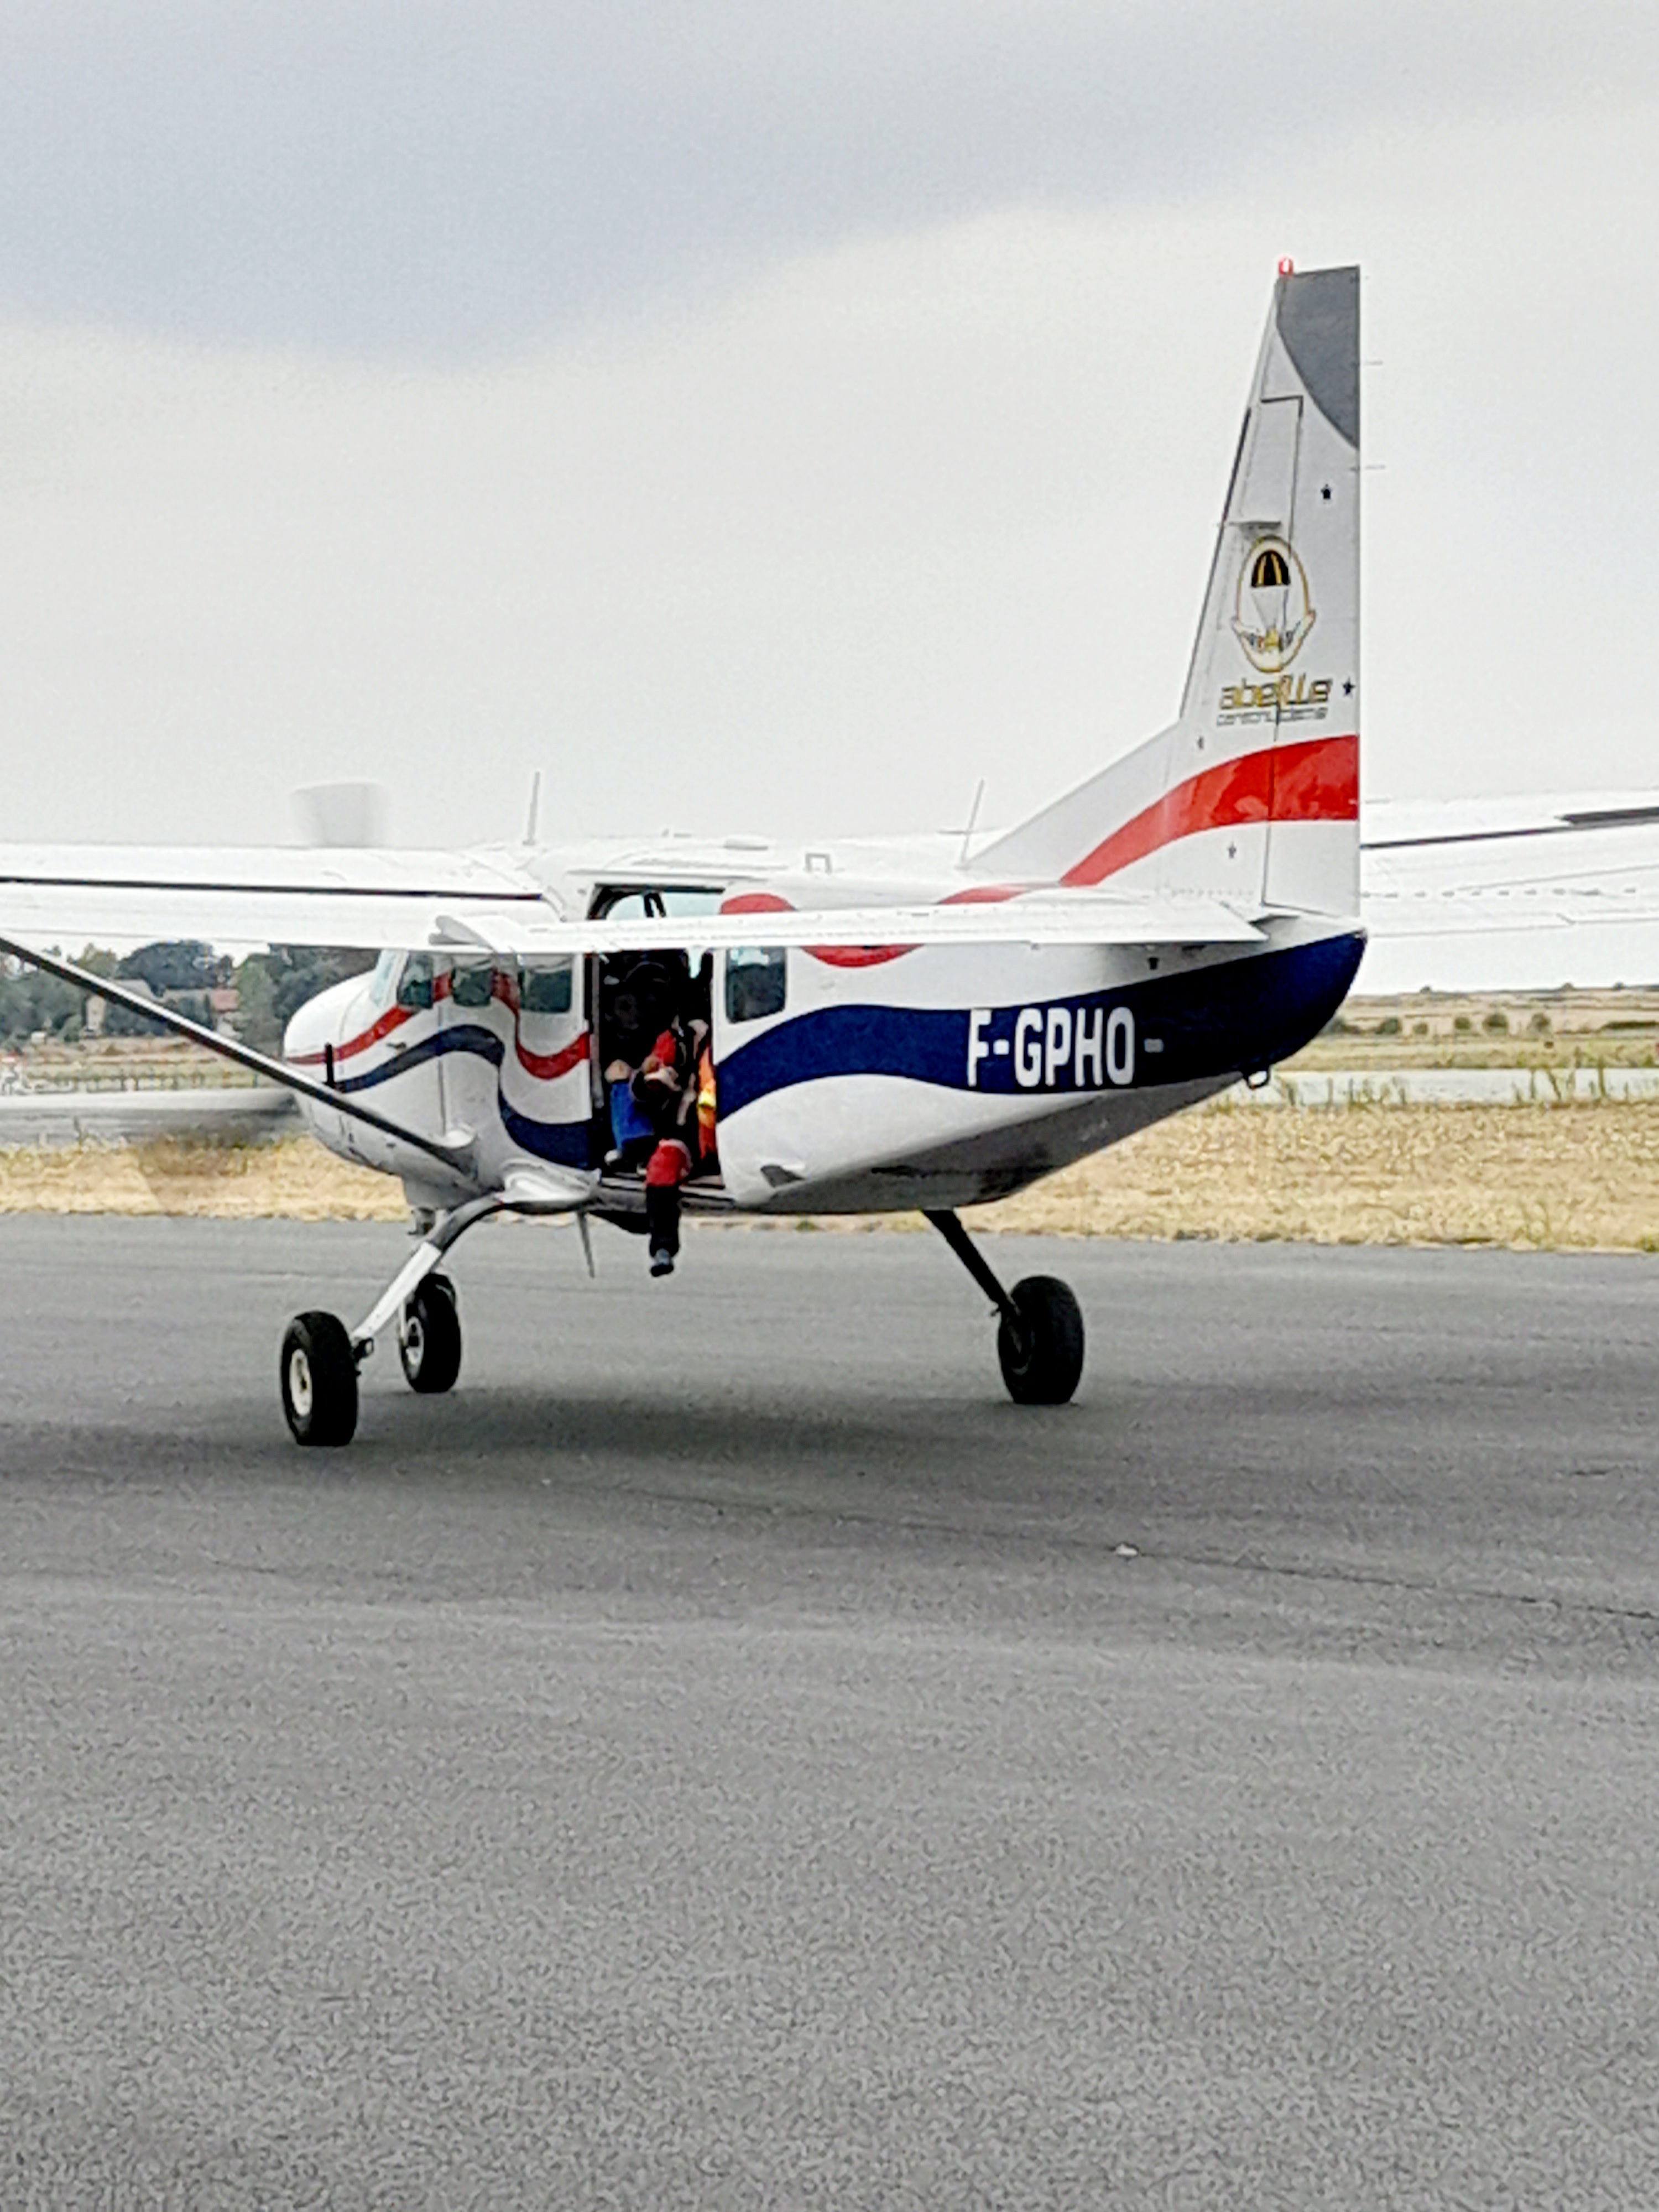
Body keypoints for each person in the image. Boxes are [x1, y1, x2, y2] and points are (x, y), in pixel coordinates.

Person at [631, 986, 711, 1277]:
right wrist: (649, 1078)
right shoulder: (674, 1041)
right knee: (662, 1165)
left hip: (727, 1131)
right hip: (688, 1134)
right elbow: (648, 1082)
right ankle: (663, 1246)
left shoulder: (732, 1044)